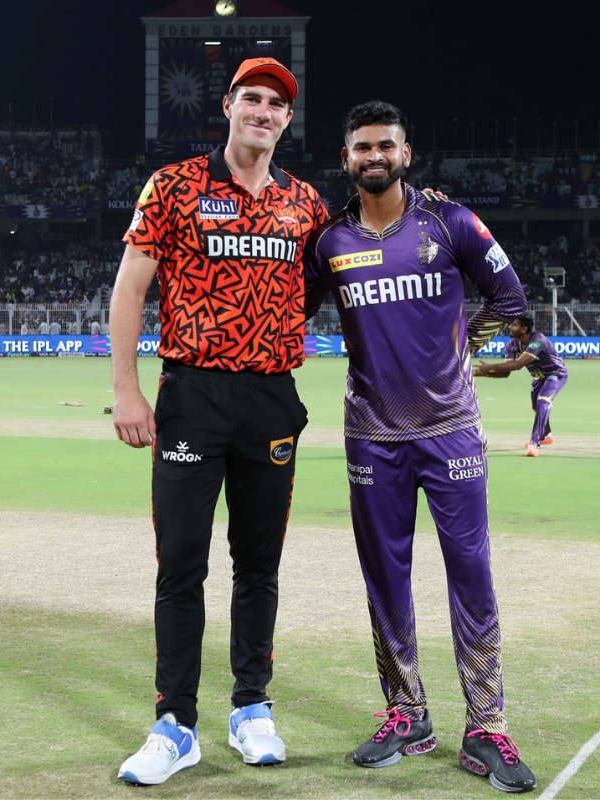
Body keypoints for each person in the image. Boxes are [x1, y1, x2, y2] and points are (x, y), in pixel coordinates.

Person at [304, 101, 536, 794]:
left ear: (407, 153)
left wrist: (473, 363)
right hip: (371, 438)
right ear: (346, 159)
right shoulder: (329, 243)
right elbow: (287, 315)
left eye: (386, 145)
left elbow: (513, 308)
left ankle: (486, 727)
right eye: (361, 147)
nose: (374, 156)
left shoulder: (450, 222)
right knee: (386, 581)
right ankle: (407, 714)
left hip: (450, 433)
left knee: (472, 577)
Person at [109, 57, 328, 786]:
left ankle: (251, 708)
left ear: (287, 120)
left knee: (258, 566)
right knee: (182, 566)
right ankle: (175, 723)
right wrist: (128, 390)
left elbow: (329, 286)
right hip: (190, 398)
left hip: (269, 398)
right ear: (229, 106)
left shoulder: (307, 205)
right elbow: (130, 288)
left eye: (277, 104)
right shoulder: (174, 186)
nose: (263, 112)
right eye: (252, 99)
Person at [475, 315, 568, 458]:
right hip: (538, 378)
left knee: (543, 402)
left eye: (514, 325)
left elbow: (518, 365)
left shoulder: (538, 341)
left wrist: (491, 366)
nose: (510, 327)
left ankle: (534, 443)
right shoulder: (512, 345)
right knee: (537, 408)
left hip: (555, 374)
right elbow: (506, 372)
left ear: (524, 329)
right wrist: (486, 374)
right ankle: (546, 435)